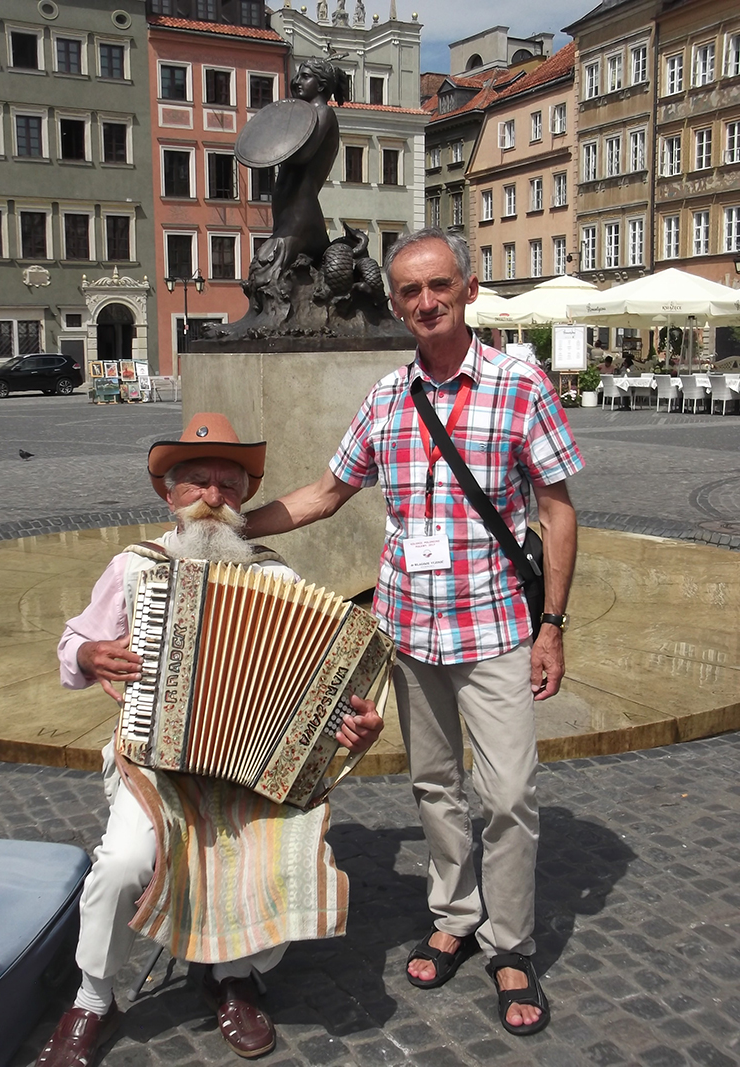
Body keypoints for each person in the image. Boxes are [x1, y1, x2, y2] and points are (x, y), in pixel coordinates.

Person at [244, 228, 583, 1037]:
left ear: (468, 288)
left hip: (495, 625)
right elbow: (325, 492)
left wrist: (553, 624)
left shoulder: (519, 383)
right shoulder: (387, 397)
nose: (425, 302)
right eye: (409, 291)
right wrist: (228, 524)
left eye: (438, 285)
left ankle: (511, 942)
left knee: (509, 793)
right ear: (395, 303)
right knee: (433, 783)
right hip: (407, 628)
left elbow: (557, 510)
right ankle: (455, 913)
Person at [36, 413, 383, 1066]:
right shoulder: (134, 567)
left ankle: (233, 976)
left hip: (249, 772)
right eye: (197, 481)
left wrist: (353, 726)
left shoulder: (276, 579)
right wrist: (87, 655)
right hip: (154, 767)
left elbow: (326, 699)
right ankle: (92, 998)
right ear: (169, 494)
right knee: (122, 863)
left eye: (228, 483)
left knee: (278, 855)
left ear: (245, 497)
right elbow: (74, 639)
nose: (213, 496)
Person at [248, 58, 346, 290]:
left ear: (321, 85)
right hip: (287, 208)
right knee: (271, 273)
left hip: (300, 210)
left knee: (265, 269)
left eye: (305, 76)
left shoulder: (323, 112)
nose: (296, 81)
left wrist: (274, 138)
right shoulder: (303, 115)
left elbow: (302, 154)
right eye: (298, 75)